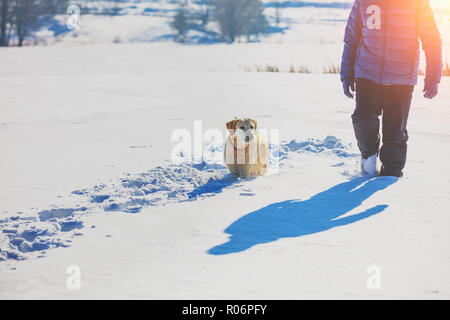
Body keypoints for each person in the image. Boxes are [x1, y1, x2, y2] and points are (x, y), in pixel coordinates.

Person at [340, 0, 442, 177]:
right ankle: (368, 159)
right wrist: (347, 73)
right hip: (367, 73)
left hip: (401, 78)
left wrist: (433, 74)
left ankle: (391, 175)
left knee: (395, 131)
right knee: (363, 119)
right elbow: (352, 37)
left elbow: (431, 38)